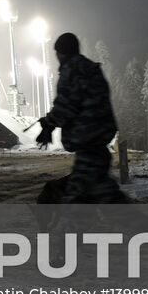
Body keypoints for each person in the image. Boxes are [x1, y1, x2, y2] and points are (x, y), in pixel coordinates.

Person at [36, 32, 123, 202]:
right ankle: (139, 225)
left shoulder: (71, 69)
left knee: (77, 202)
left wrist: (48, 123)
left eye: (57, 53)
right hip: (98, 143)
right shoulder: (91, 68)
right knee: (107, 198)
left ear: (61, 52)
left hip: (88, 144)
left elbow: (65, 107)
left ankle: (70, 227)